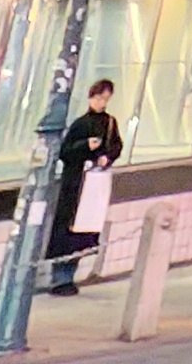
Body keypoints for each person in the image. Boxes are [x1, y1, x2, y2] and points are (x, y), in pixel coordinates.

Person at [42, 82, 122, 296]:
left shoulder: (109, 123)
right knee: (69, 228)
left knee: (82, 229)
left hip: (91, 186)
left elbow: (116, 146)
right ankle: (60, 277)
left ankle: (68, 275)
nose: (102, 103)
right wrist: (86, 146)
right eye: (99, 98)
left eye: (105, 99)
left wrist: (107, 157)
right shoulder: (81, 124)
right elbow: (65, 152)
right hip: (74, 184)